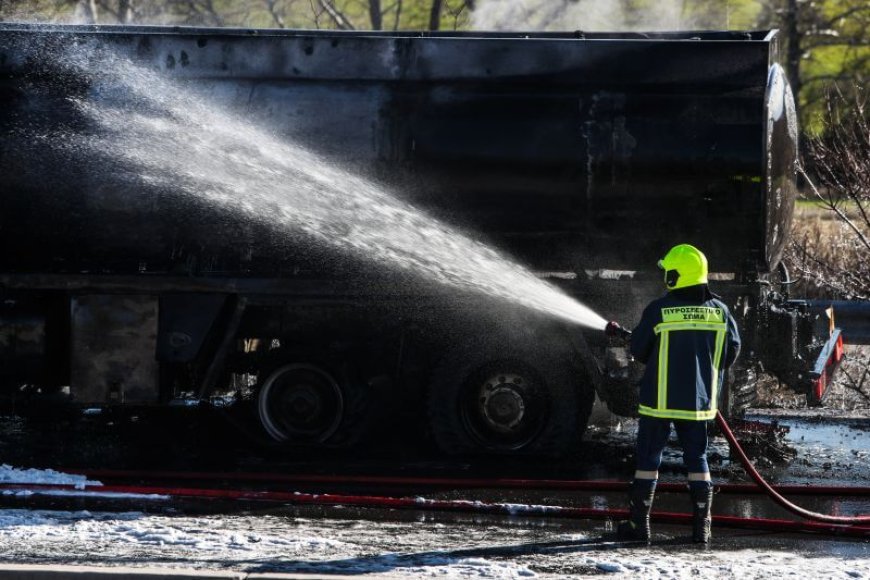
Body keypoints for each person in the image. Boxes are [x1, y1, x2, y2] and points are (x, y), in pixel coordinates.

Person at [617, 243, 741, 544]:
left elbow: (639, 350)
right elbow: (731, 351)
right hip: (698, 404)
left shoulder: (659, 310)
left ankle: (639, 526)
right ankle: (702, 529)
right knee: (697, 458)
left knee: (648, 459)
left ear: (675, 277)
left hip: (658, 403)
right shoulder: (721, 312)